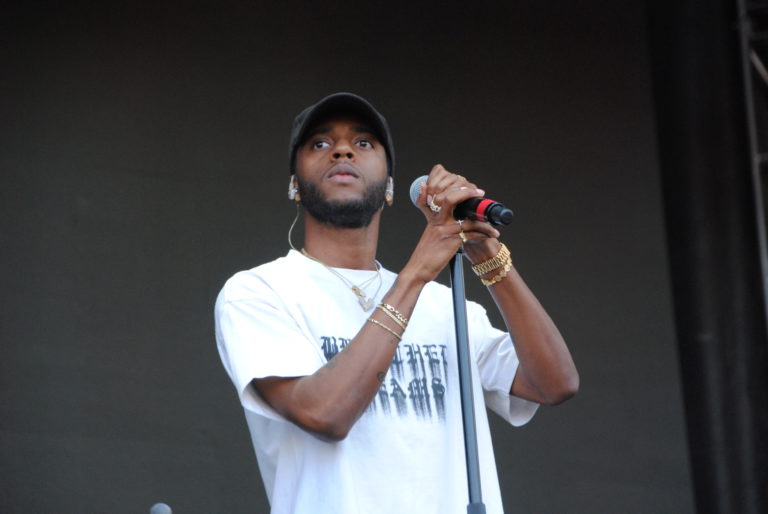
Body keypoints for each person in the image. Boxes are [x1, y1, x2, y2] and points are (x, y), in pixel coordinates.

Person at [214, 92, 578, 514]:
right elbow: (324, 413)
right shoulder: (259, 291)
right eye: (320, 143)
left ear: (389, 187)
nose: (343, 151)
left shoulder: (447, 308)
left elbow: (554, 383)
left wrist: (485, 252)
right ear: (294, 184)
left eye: (363, 142)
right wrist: (416, 275)